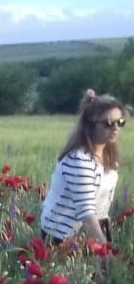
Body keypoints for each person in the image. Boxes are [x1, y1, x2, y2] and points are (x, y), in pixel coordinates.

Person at [40, 90, 125, 248]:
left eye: (120, 122)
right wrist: (105, 252)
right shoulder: (79, 159)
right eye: (108, 123)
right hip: (63, 235)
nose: (115, 128)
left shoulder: (108, 156)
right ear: (90, 125)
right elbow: (86, 213)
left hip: (92, 229)